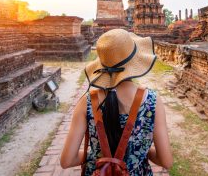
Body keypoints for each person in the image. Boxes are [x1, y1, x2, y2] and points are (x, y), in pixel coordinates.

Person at [60, 29, 173, 175]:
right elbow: (166, 161)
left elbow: (67, 161)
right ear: (134, 60)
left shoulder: (87, 102)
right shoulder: (152, 101)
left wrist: (97, 158)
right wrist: (141, 150)